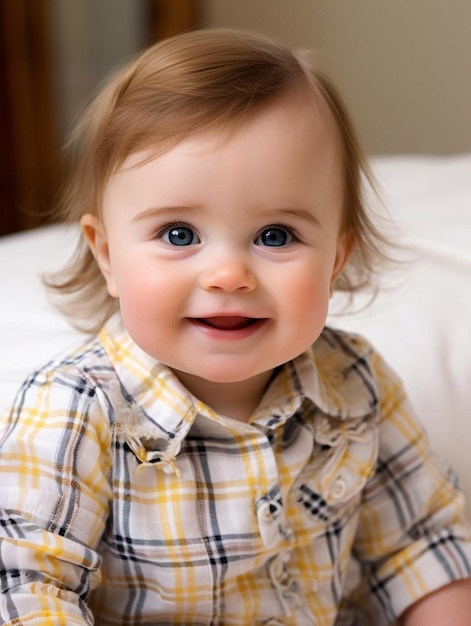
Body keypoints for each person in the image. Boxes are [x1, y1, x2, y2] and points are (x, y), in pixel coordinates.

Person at [0, 28, 470, 626]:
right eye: (179, 235)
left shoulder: (354, 383)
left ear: (335, 260)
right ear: (109, 255)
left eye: (275, 236)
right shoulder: (75, 411)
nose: (227, 274)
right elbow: (27, 585)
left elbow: (420, 545)